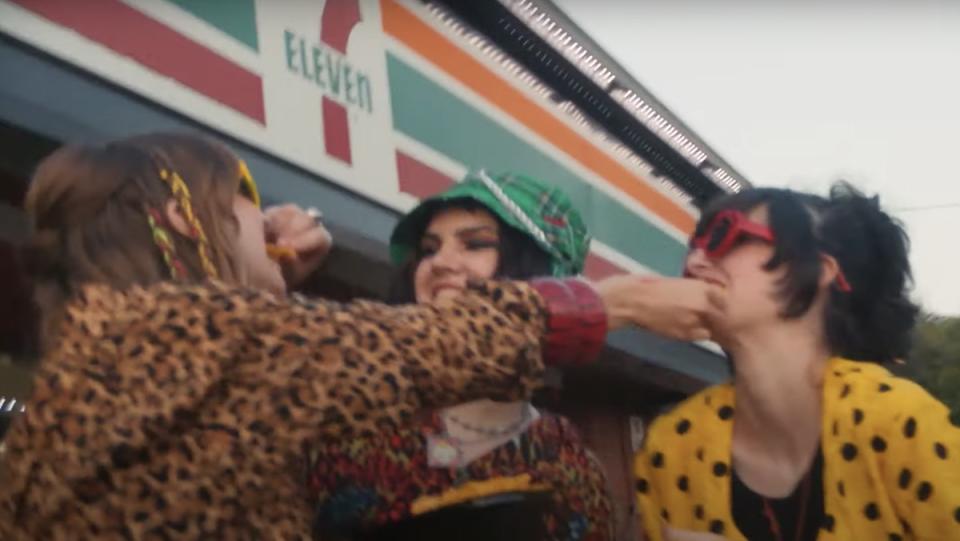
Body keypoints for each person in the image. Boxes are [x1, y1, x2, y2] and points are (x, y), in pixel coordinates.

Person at [0, 132, 724, 540]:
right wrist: (610, 302)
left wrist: (263, 267)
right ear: (189, 223)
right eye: (248, 205)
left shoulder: (130, 363)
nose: (443, 264)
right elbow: (383, 351)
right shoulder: (198, 346)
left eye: (475, 243)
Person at [634, 183, 960, 541]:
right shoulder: (670, 448)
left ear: (821, 270)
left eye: (725, 235)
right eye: (693, 247)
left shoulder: (899, 423)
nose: (694, 262)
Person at [308, 171, 613, 540]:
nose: (440, 263)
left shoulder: (567, 460)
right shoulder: (345, 416)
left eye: (474, 244)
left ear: (539, 278)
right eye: (429, 249)